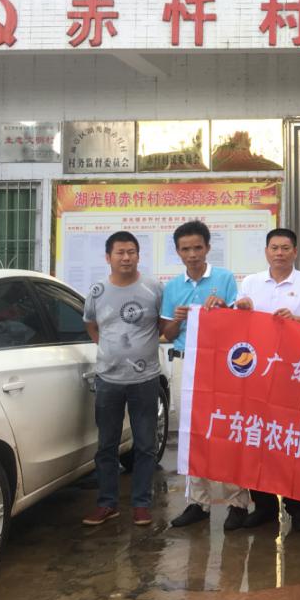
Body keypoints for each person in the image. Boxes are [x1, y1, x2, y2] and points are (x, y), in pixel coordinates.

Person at [216, 227, 300, 531]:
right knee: (259, 440)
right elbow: (238, 321)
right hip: (257, 376)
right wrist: (241, 309)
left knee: (294, 441)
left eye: (285, 248)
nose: (279, 253)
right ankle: (263, 505)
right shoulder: (251, 282)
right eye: (274, 248)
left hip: (295, 372)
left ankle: (299, 508)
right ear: (266, 252)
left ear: (295, 252)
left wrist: (295, 319)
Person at [81, 231, 169, 527]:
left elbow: (163, 327)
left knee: (144, 444)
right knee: (106, 445)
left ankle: (141, 504)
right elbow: (91, 325)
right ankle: (107, 504)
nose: (126, 257)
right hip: (108, 379)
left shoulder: (154, 288)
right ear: (108, 257)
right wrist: (109, 349)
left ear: (138, 256)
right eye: (120, 252)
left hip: (145, 379)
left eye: (131, 252)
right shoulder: (97, 291)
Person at [160, 221, 242, 530]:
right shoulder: (172, 287)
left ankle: (237, 502)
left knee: (227, 430)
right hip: (185, 362)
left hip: (220, 363)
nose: (192, 254)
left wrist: (223, 308)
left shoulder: (224, 279)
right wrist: (176, 320)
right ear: (178, 252)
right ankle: (198, 502)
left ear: (207, 248)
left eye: (197, 248)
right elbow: (167, 333)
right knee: (190, 432)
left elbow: (240, 323)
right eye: (186, 249)